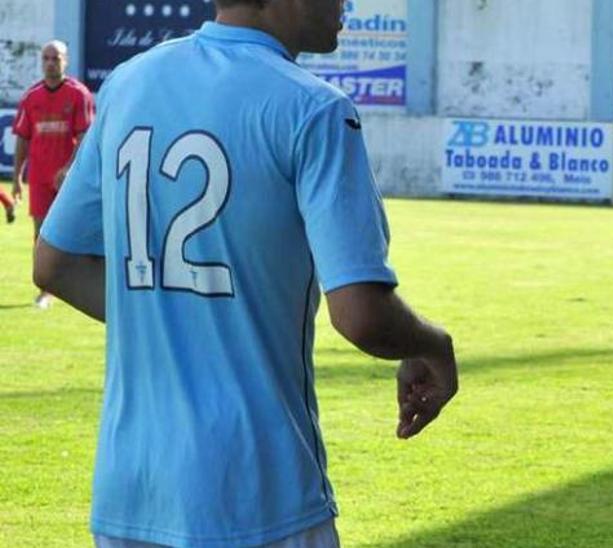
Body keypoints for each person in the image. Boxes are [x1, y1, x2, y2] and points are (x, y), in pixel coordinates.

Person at [34, 1, 459, 546]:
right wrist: (434, 344)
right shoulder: (314, 108)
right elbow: (361, 314)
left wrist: (176, 316)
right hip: (258, 495)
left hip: (130, 492)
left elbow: (54, 264)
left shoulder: (128, 84)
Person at [12, 40, 94, 306]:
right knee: (40, 233)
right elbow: (23, 138)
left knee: (79, 232)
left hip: (70, 180)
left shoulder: (78, 94)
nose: (50, 63)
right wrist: (16, 178)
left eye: (55, 58)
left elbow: (86, 138)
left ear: (65, 61)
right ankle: (45, 290)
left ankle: (79, 283)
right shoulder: (31, 97)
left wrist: (69, 168)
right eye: (46, 58)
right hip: (39, 177)